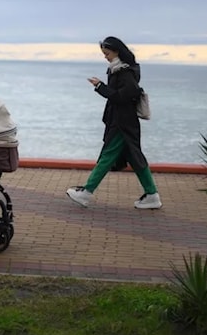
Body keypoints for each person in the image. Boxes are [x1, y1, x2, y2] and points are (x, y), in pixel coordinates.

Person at [66, 36, 162, 210]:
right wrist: (101, 86)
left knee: (107, 156)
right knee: (135, 158)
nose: (105, 56)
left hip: (122, 123)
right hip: (124, 121)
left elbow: (124, 95)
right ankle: (152, 195)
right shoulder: (120, 69)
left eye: (107, 53)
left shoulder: (124, 71)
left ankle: (86, 192)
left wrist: (100, 87)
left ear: (117, 51)